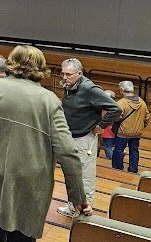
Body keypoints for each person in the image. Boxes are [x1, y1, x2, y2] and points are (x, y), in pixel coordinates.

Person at [0, 46, 90, 241]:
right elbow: (67, 152)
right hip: (28, 187)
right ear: (41, 68)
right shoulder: (49, 101)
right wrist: (78, 198)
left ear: (11, 63)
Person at [56, 58, 121, 217]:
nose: (64, 77)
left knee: (85, 177)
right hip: (70, 138)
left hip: (84, 140)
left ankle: (85, 214)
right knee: (72, 175)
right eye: (63, 73)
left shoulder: (89, 88)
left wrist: (100, 126)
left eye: (69, 74)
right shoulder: (69, 86)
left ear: (80, 73)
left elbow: (116, 109)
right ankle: (72, 207)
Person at [112, 81, 150, 173]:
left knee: (119, 150)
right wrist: (140, 127)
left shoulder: (121, 103)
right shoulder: (142, 103)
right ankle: (133, 169)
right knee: (134, 151)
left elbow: (116, 117)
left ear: (121, 90)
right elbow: (147, 117)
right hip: (136, 133)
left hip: (123, 132)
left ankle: (118, 168)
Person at [99, 90, 117, 159]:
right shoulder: (115, 108)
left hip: (106, 131)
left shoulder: (103, 108)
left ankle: (112, 161)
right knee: (110, 146)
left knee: (107, 147)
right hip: (112, 131)